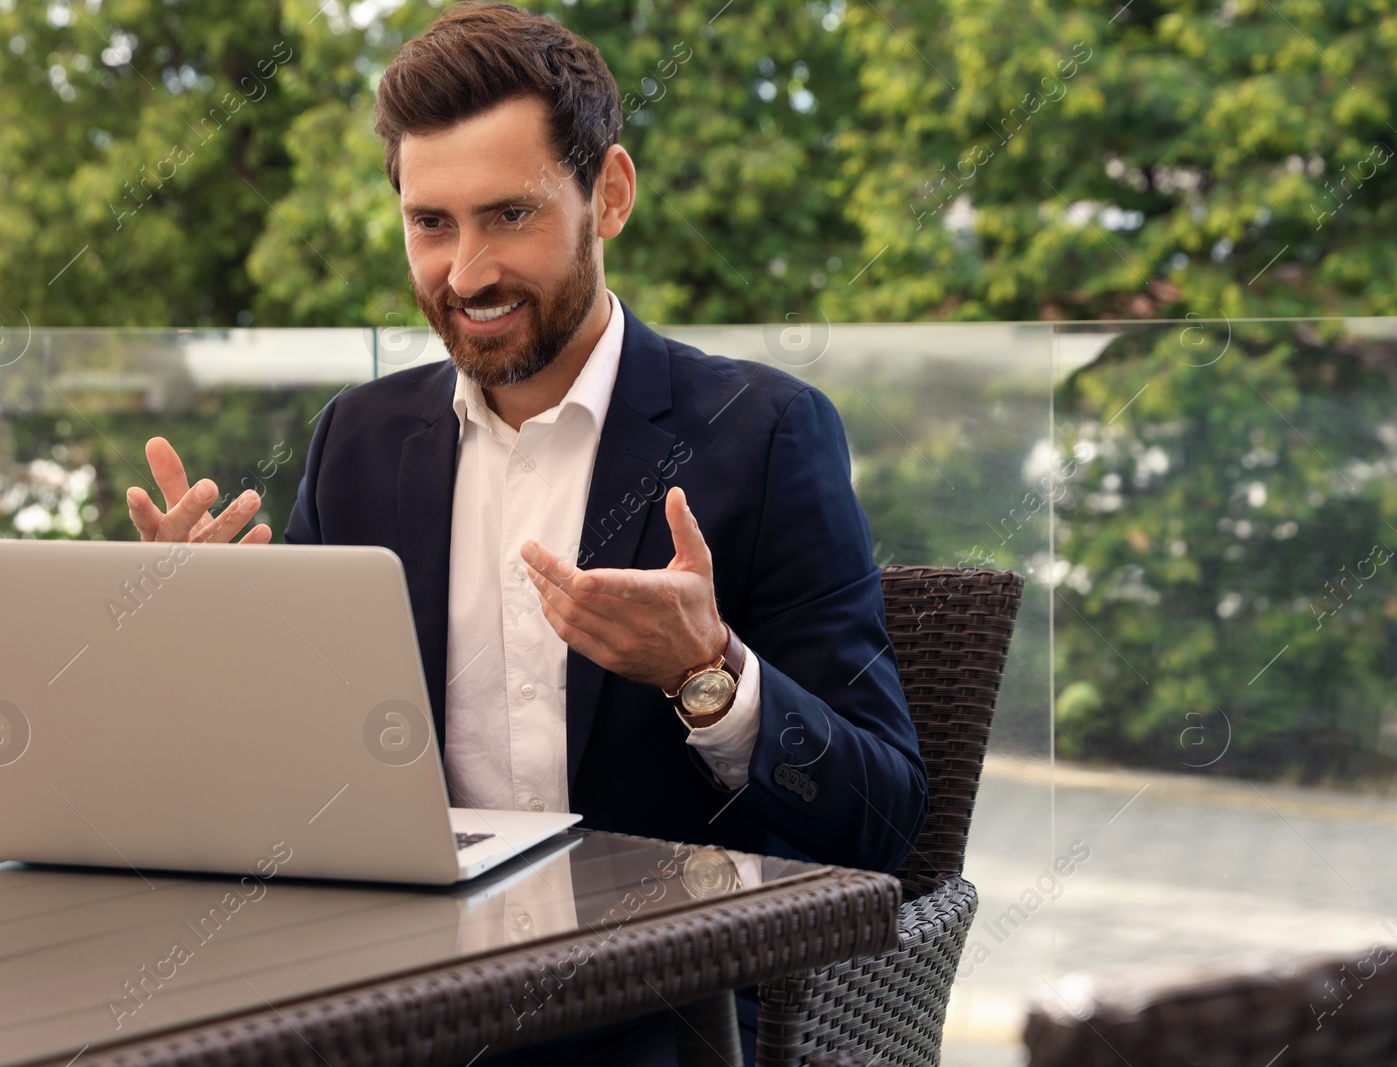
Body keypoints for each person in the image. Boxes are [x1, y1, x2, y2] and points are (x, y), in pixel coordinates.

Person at [127, 4, 926, 1062]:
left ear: (609, 194)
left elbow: (884, 816)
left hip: (654, 1013)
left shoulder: (764, 436)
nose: (464, 274)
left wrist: (708, 674)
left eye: (508, 215)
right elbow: (305, 790)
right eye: (431, 224)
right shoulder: (358, 440)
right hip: (389, 1001)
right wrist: (215, 640)